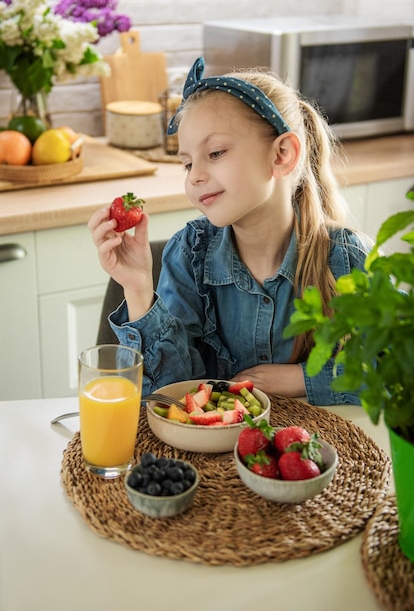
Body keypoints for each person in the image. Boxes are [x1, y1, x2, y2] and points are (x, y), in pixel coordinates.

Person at [89, 56, 369, 404]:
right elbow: (168, 396)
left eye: (216, 152)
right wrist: (138, 287)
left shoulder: (348, 259)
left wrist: (300, 378)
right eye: (188, 163)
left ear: (282, 154)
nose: (195, 176)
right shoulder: (189, 255)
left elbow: (394, 373)